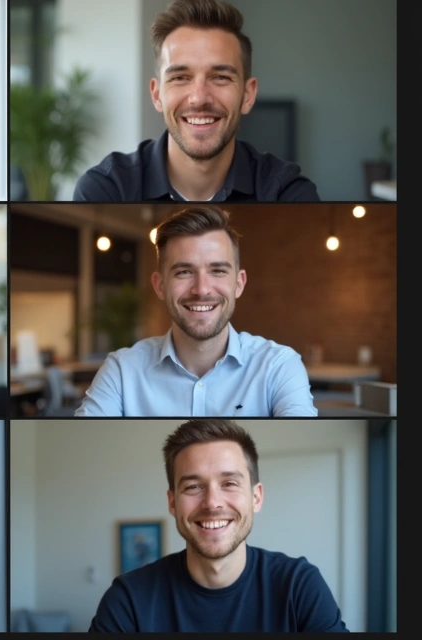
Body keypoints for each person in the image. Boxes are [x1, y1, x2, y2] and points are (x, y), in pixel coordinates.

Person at [89, 419, 347, 632]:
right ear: (172, 503)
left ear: (256, 497)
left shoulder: (298, 586)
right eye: (193, 487)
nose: (212, 503)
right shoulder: (129, 599)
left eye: (230, 484)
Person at [76, 206, 315, 417]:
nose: (201, 289)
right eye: (184, 272)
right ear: (160, 285)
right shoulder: (121, 372)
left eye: (218, 271)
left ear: (239, 283)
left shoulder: (279, 366)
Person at [72, 0, 319, 202]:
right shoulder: (107, 190)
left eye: (220, 77)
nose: (199, 97)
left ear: (248, 95)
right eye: (180, 77)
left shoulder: (287, 193)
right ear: (157, 95)